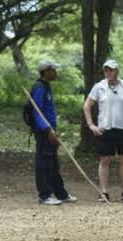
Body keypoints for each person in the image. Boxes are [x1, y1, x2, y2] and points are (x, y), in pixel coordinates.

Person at [83, 59, 123, 202]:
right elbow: (87, 105)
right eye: (106, 70)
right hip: (106, 128)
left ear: (117, 71)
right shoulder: (99, 87)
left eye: (111, 70)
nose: (108, 72)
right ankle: (104, 192)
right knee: (105, 160)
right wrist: (91, 125)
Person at [30, 59, 75, 205]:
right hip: (44, 131)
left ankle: (60, 193)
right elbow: (36, 112)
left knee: (54, 163)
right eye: (54, 70)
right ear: (47, 71)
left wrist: (53, 130)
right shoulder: (39, 88)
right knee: (44, 163)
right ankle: (45, 195)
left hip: (51, 130)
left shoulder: (46, 87)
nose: (56, 73)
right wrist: (47, 129)